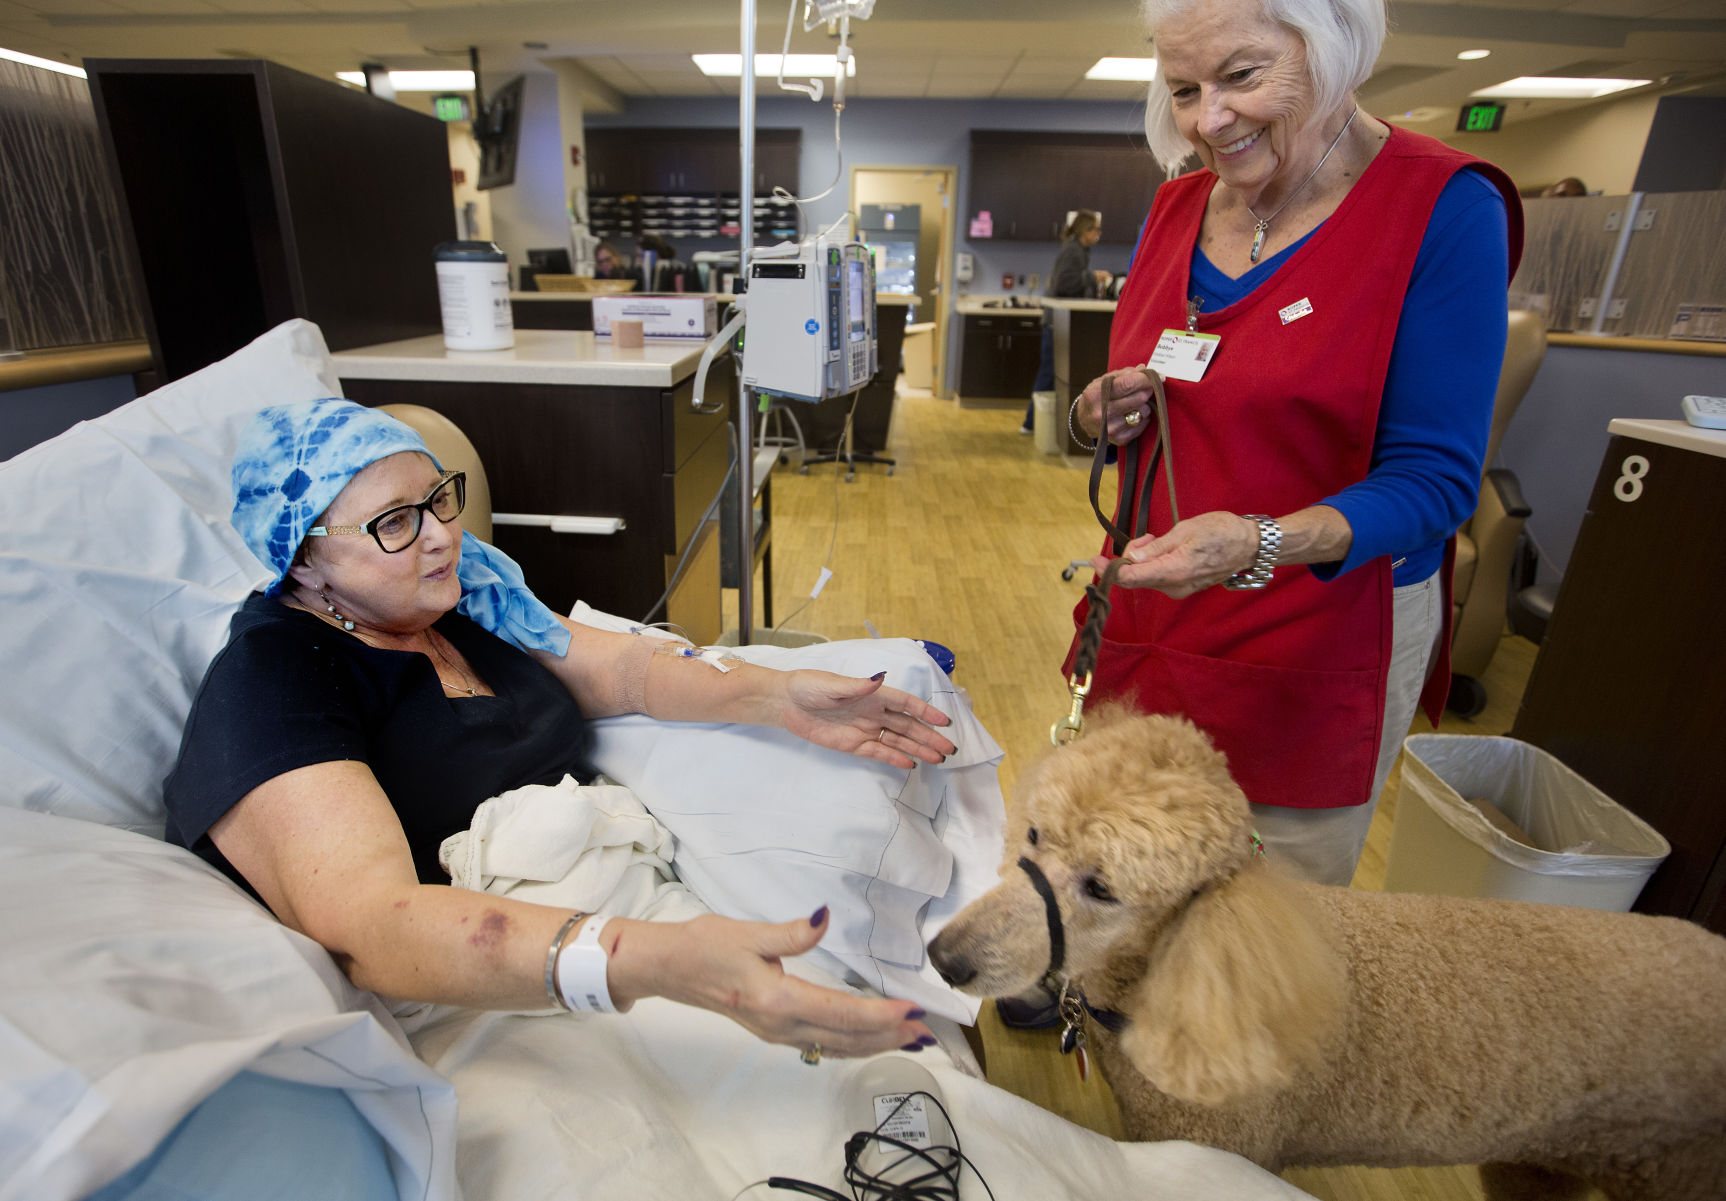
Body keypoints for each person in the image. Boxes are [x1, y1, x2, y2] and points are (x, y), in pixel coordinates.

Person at [164, 398, 954, 1061]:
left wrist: (775, 693)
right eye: (396, 523)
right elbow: (377, 926)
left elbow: (623, 672)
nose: (444, 533)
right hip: (501, 988)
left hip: (629, 902)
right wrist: (645, 962)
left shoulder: (461, 596)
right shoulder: (275, 679)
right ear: (303, 563)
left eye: (438, 497)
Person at [1066, 0, 1522, 889]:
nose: (1209, 120)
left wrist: (1261, 541)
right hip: (1160, 600)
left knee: (1257, 908)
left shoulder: (1443, 206)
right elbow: (1172, 385)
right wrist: (1100, 414)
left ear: (1336, 50)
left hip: (1318, 623)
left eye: (1240, 77)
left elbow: (1433, 482)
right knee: (1119, 854)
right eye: (1184, 89)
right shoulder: (1177, 207)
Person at [1021, 210, 1113, 435]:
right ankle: (1031, 423)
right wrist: (1092, 277)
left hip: (1058, 323)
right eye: (1096, 230)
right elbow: (1064, 283)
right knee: (1049, 373)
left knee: (1050, 373)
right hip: (1056, 324)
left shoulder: (1079, 251)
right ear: (1086, 230)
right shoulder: (1074, 251)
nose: (1099, 234)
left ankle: (1035, 423)